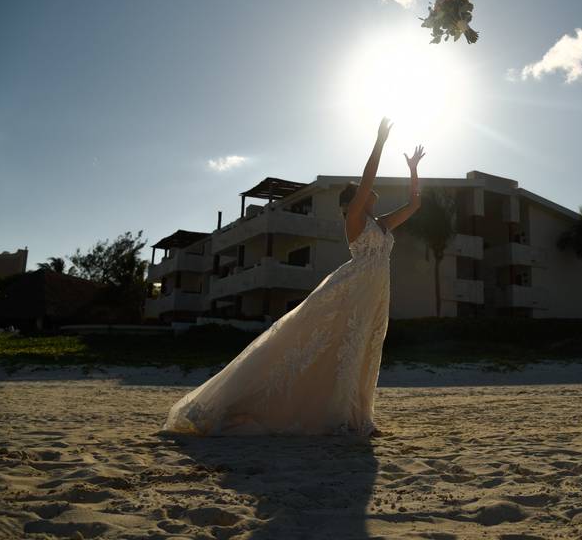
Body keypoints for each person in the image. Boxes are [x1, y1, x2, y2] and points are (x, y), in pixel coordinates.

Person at [164, 118, 424, 436]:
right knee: (335, 346)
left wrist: (413, 168)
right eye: (365, 194)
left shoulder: (383, 224)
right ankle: (338, 418)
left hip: (377, 293)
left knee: (367, 349)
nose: (373, 195)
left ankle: (360, 418)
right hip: (352, 288)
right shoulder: (355, 220)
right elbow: (367, 182)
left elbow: (415, 203)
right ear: (352, 203)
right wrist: (380, 142)